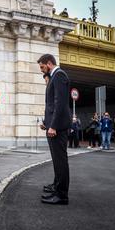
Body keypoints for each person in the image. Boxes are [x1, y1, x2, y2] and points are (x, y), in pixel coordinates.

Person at [38, 54, 70, 205]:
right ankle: (57, 187)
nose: (41, 70)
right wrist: (47, 122)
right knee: (57, 161)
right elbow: (51, 105)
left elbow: (60, 103)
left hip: (58, 128)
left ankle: (62, 195)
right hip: (53, 126)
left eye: (42, 67)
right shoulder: (54, 76)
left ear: (49, 63)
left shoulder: (59, 75)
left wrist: (54, 125)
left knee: (60, 161)